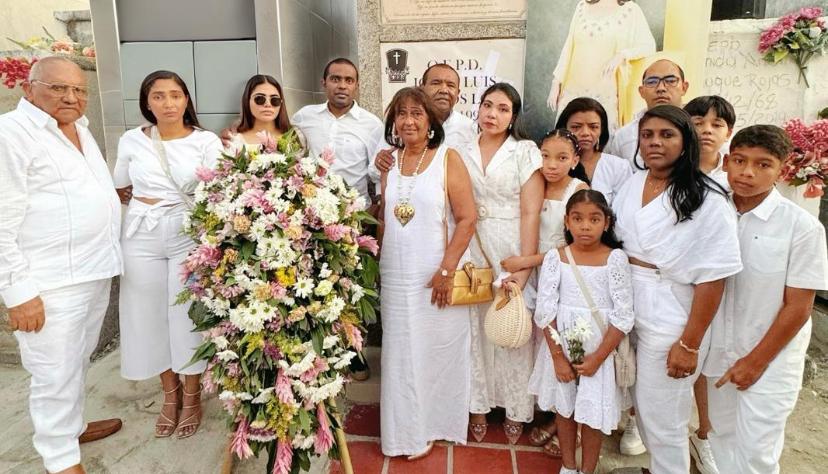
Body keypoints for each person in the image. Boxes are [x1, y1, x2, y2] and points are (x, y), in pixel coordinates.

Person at [0, 56, 123, 474]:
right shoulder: (11, 134)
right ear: (28, 88)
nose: (71, 97)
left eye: (79, 89)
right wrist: (18, 293)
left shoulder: (80, 129)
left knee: (77, 360)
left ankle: (72, 427)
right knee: (53, 373)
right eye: (57, 88)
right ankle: (61, 459)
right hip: (48, 284)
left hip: (92, 271)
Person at [612, 105, 742, 474]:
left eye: (666, 135)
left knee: (664, 420)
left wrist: (689, 343)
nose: (655, 142)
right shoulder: (633, 183)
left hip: (671, 312)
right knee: (639, 406)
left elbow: (714, 277)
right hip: (627, 303)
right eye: (648, 135)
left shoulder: (707, 197)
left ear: (686, 142)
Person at [706, 125, 828, 473]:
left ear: (782, 169)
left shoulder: (801, 227)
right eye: (740, 161)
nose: (747, 172)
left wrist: (755, 362)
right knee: (721, 437)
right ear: (726, 162)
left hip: (770, 360)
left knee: (757, 453)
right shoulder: (711, 213)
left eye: (763, 164)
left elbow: (799, 306)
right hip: (719, 351)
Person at [114, 70, 222, 439]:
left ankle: (192, 394)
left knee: (185, 314)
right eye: (158, 96)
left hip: (185, 231)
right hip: (141, 232)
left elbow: (217, 187)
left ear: (186, 99)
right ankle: (169, 393)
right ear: (147, 102)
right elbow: (119, 186)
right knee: (146, 315)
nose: (168, 103)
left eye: (175, 95)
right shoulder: (132, 139)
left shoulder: (205, 141)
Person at [377, 87, 477, 459]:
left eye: (417, 113)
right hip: (395, 275)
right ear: (393, 122)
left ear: (431, 121)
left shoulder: (448, 158)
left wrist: (447, 270)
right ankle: (403, 432)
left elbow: (467, 219)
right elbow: (386, 218)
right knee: (400, 353)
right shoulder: (389, 163)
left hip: (436, 274)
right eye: (401, 114)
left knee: (435, 350)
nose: (408, 121)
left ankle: (434, 424)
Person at [291, 57, 384, 381]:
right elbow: (287, 153)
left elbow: (377, 173)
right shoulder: (304, 118)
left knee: (353, 287)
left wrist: (374, 214)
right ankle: (319, 354)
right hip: (310, 220)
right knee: (315, 286)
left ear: (356, 85)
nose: (342, 85)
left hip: (352, 219)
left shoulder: (371, 124)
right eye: (335, 79)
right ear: (324, 82)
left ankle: (354, 353)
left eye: (348, 80)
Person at [532, 189, 634, 474]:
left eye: (594, 219)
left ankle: (587, 469)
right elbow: (546, 310)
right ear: (567, 221)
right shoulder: (556, 258)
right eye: (577, 219)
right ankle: (568, 466)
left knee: (592, 415)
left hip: (600, 350)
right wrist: (558, 358)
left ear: (607, 223)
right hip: (562, 346)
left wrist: (598, 358)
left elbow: (623, 315)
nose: (585, 226)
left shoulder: (615, 259)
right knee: (564, 409)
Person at [465, 83, 545, 444]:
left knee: (513, 326)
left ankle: (515, 408)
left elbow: (531, 211)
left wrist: (524, 268)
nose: (492, 114)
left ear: (513, 117)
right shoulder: (462, 148)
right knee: (475, 327)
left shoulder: (524, 151)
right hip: (472, 245)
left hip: (511, 245)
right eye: (487, 105)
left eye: (502, 109)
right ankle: (478, 406)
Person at [502, 129, 588, 457]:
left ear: (575, 160)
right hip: (534, 274)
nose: (551, 164)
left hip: (562, 276)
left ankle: (567, 422)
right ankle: (547, 410)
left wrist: (525, 261)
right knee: (539, 346)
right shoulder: (534, 182)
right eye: (545, 156)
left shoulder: (579, 191)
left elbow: (575, 246)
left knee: (563, 346)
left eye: (562, 158)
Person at [682, 95, 737, 474]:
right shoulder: (672, 170)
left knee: (705, 359)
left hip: (716, 282)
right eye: (698, 121)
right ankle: (636, 419)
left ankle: (703, 434)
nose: (706, 130)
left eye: (716, 124)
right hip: (675, 282)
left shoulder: (734, 176)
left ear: (728, 132)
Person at [548, 0, 656, 131]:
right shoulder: (582, 6)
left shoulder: (631, 11)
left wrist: (622, 55)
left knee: (600, 137)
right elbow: (569, 46)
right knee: (568, 137)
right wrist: (556, 82)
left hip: (606, 92)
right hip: (573, 89)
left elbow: (649, 46)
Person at [374, 63, 477, 173]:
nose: (444, 90)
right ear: (422, 88)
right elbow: (374, 171)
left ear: (458, 93)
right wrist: (381, 163)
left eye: (450, 85)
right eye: (436, 83)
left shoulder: (469, 128)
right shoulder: (403, 124)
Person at [604, 59, 689, 167]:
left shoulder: (699, 129)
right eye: (652, 82)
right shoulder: (624, 136)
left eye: (670, 81)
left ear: (684, 87)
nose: (661, 88)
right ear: (641, 91)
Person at [555, 97, 632, 205]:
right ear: (564, 128)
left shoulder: (619, 167)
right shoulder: (550, 164)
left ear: (602, 130)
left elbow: (624, 209)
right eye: (576, 127)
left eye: (593, 127)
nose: (585, 133)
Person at [685, 95, 735, 188]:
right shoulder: (669, 169)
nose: (707, 130)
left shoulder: (734, 173)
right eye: (698, 123)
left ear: (728, 134)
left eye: (716, 125)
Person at [232, 74, 294, 148]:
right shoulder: (233, 142)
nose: (268, 104)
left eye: (275, 100)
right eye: (260, 99)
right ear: (247, 101)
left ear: (281, 103)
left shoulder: (297, 137)